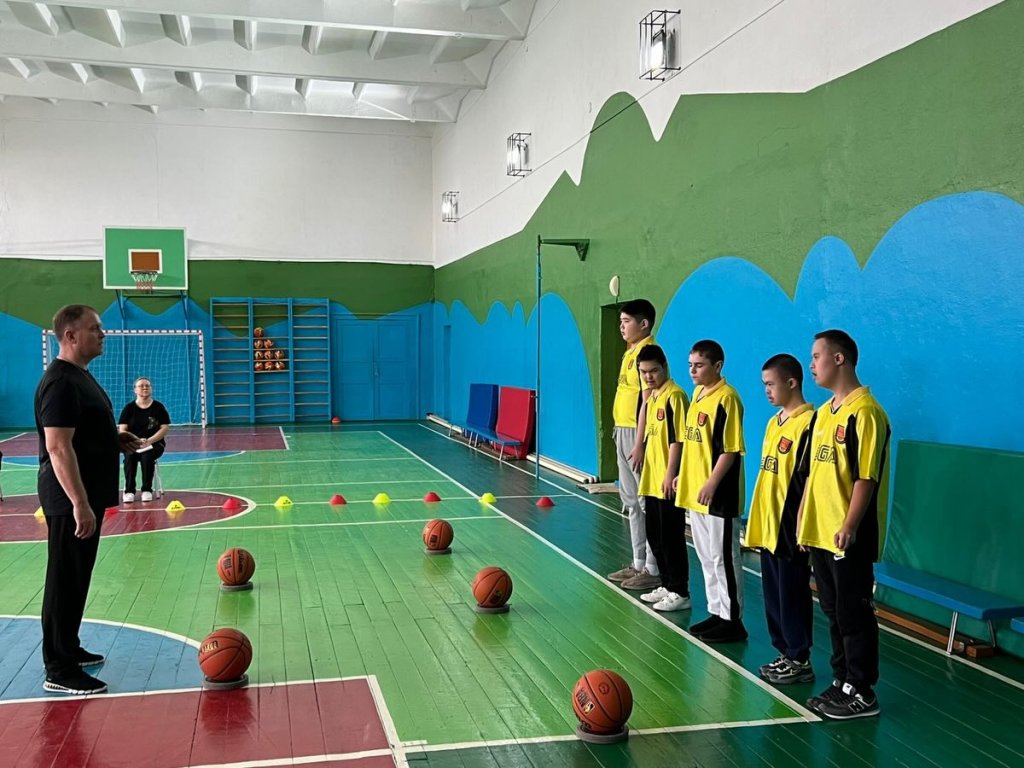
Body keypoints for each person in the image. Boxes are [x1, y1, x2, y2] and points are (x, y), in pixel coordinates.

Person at [35, 304, 142, 695]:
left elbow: (80, 431)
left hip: (85, 493)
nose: (103, 334)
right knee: (64, 577)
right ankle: (58, 667)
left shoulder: (80, 377)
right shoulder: (60, 382)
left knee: (78, 574)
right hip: (68, 498)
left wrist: (113, 439)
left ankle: (70, 646)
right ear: (71, 336)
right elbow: (58, 447)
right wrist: (79, 503)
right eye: (95, 328)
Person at [797, 330, 890, 720]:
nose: (811, 365)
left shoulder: (865, 412)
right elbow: (812, 474)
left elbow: (866, 477)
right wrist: (804, 518)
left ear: (839, 359)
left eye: (816, 356)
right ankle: (842, 681)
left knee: (854, 613)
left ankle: (863, 691)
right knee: (834, 612)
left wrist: (850, 525)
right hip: (820, 532)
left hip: (847, 536)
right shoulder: (823, 413)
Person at [745, 354, 815, 684]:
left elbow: (808, 479)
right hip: (768, 522)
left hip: (790, 526)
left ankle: (800, 658)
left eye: (771, 384)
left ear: (792, 382)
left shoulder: (810, 423)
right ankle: (785, 652)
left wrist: (802, 522)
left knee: (792, 593)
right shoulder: (775, 422)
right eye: (764, 385)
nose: (767, 391)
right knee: (773, 593)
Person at [674, 339, 747, 643]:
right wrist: (684, 475)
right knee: (705, 555)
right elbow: (696, 445)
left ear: (717, 366)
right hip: (695, 492)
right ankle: (717, 611)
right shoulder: (698, 394)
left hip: (719, 495)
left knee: (723, 556)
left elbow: (730, 449)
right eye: (690, 365)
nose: (692, 370)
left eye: (699, 365)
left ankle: (732, 620)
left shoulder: (727, 398)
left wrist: (711, 483)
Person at [606, 299, 661, 592]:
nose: (621, 327)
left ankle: (653, 566)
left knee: (643, 500)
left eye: (626, 321)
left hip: (637, 435)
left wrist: (639, 442)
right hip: (622, 430)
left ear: (644, 324)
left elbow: (647, 401)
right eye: (620, 322)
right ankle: (638, 562)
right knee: (630, 500)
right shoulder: (630, 352)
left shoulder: (648, 353)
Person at [633, 345, 691, 611]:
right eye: (644, 372)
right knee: (655, 536)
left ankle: (680, 591)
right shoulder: (653, 396)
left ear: (665, 367)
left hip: (667, 481)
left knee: (671, 538)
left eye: (653, 371)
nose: (648, 376)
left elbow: (677, 439)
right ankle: (667, 584)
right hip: (652, 480)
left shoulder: (674, 396)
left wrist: (670, 474)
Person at [118, 377, 170, 503]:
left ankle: (147, 490)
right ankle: (129, 491)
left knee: (147, 455)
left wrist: (149, 441)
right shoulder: (129, 408)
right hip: (133, 444)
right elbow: (122, 430)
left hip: (154, 444)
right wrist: (135, 441)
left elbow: (164, 428)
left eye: (147, 385)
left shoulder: (158, 407)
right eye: (141, 386)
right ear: (135, 390)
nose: (145, 388)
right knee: (129, 456)